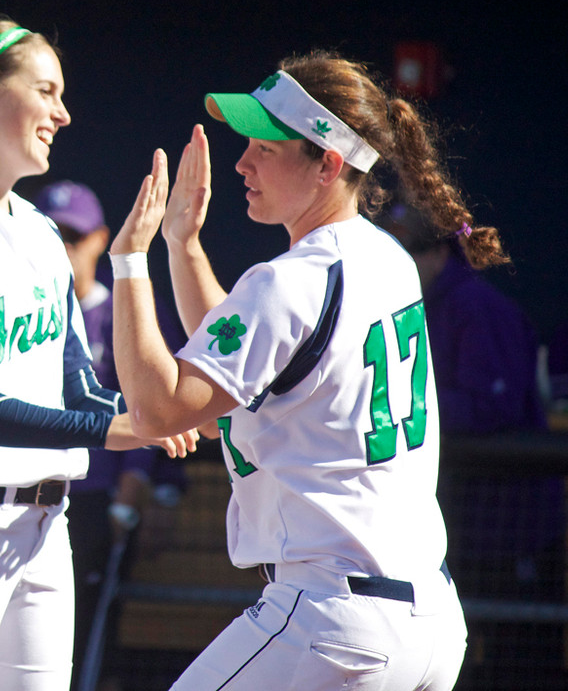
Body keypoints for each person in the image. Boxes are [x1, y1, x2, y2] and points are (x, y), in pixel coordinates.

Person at [109, 52, 497, 690]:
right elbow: (240, 379)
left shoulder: (290, 279)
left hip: (332, 618)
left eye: (266, 146)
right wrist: (184, 245)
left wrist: (131, 262)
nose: (242, 162)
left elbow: (161, 410)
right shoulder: (389, 257)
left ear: (329, 164)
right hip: (428, 620)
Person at [0, 17, 195, 691]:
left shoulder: (45, 234)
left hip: (47, 527)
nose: (63, 111)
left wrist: (154, 409)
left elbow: (77, 384)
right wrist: (114, 426)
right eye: (46, 90)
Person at [383, 200, 566, 685]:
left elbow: (493, 408)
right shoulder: (412, 305)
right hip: (454, 533)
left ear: (437, 253)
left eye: (408, 255)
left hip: (511, 530)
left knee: (521, 662)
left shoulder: (477, 307)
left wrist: (405, 406)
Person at [34, 179, 188, 691]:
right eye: (52, 235)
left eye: (73, 237)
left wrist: (133, 490)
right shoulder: (31, 301)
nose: (63, 248)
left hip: (93, 498)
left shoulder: (119, 308)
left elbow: (152, 403)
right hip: (23, 494)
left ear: (100, 238)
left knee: (81, 634)